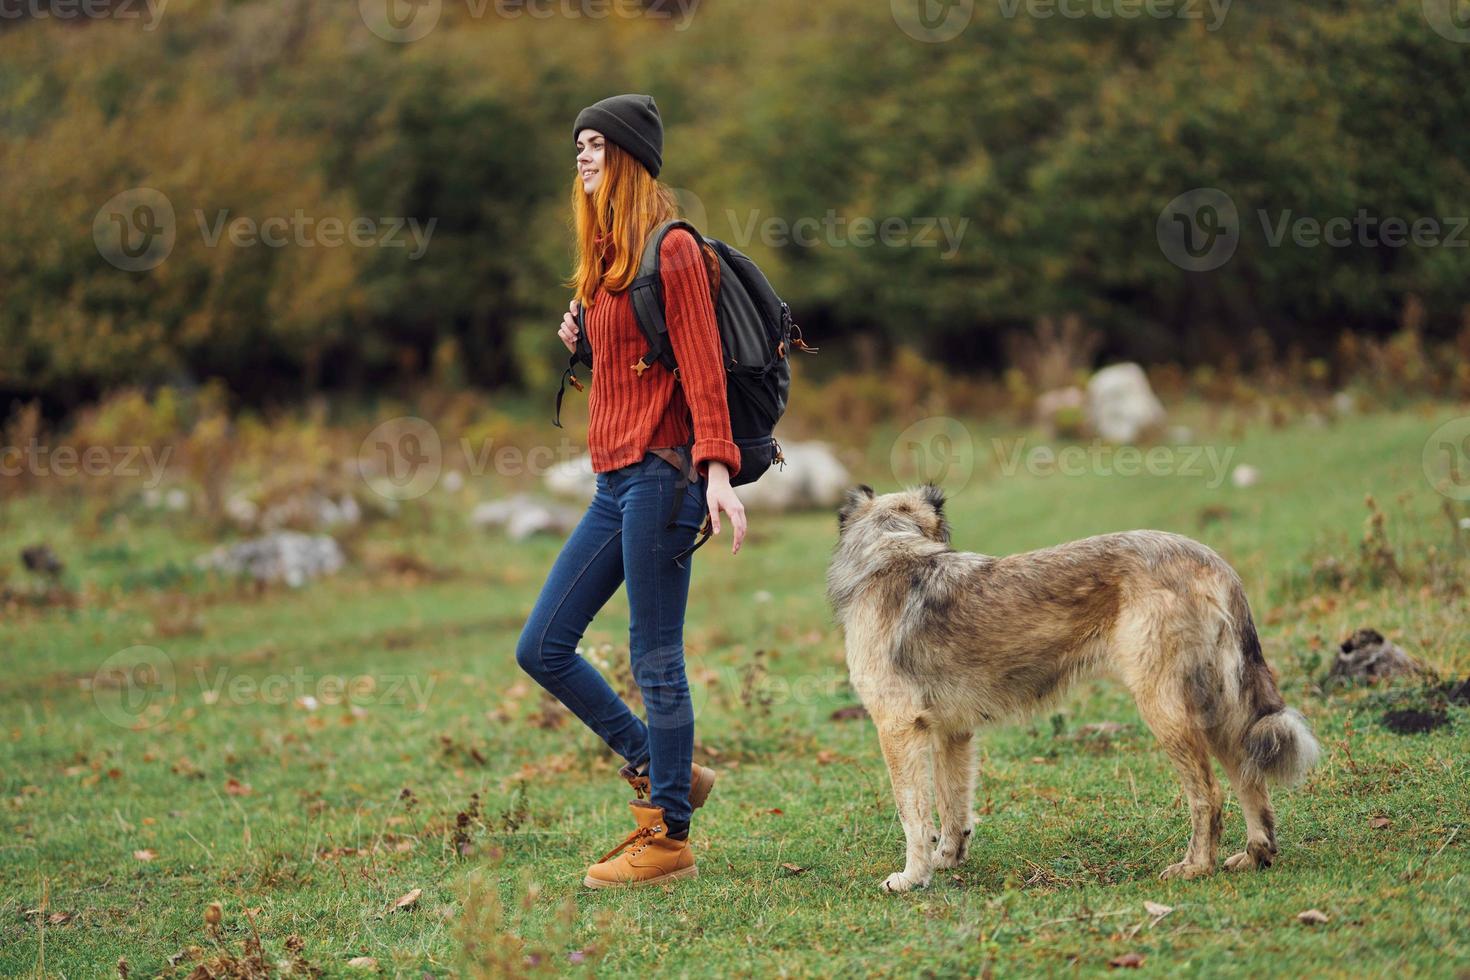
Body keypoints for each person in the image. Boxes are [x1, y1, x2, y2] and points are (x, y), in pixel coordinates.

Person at [515, 93, 748, 888]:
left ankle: (667, 836)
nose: (580, 156)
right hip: (615, 478)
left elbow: (705, 366)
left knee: (654, 656)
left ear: (629, 157)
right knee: (542, 645)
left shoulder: (671, 248)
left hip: (667, 473)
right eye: (575, 143)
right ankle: (662, 762)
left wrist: (718, 473)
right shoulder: (609, 256)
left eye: (594, 144)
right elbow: (630, 365)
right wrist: (585, 339)